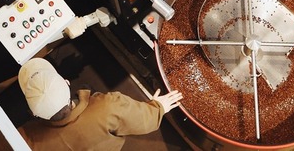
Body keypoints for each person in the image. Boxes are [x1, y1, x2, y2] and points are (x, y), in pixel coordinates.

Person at [17, 57, 183, 150]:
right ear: (66, 82)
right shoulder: (107, 107)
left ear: (33, 113)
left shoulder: (25, 139)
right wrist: (158, 107)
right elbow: (142, 120)